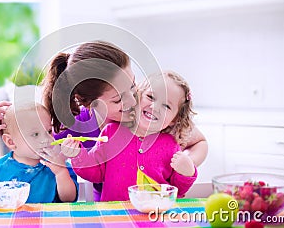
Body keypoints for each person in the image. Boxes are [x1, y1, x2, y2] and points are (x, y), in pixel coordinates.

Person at [0, 41, 208, 199]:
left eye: (132, 86)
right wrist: (2, 139)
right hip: (109, 212)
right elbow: (23, 165)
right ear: (89, 105)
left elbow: (199, 142)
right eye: (118, 100)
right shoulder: (73, 129)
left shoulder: (149, 119)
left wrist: (178, 165)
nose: (132, 100)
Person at [62, 70, 198, 201]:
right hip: (115, 215)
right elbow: (95, 173)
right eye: (150, 97)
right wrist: (77, 155)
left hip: (153, 215)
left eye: (167, 106)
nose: (155, 106)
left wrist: (187, 172)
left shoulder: (171, 145)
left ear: (175, 119)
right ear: (137, 97)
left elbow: (177, 191)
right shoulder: (111, 132)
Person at [0, 102, 79, 205]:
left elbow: (69, 199)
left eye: (48, 131)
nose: (47, 139)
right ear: (11, 142)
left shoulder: (58, 164)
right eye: (35, 134)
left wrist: (61, 173)